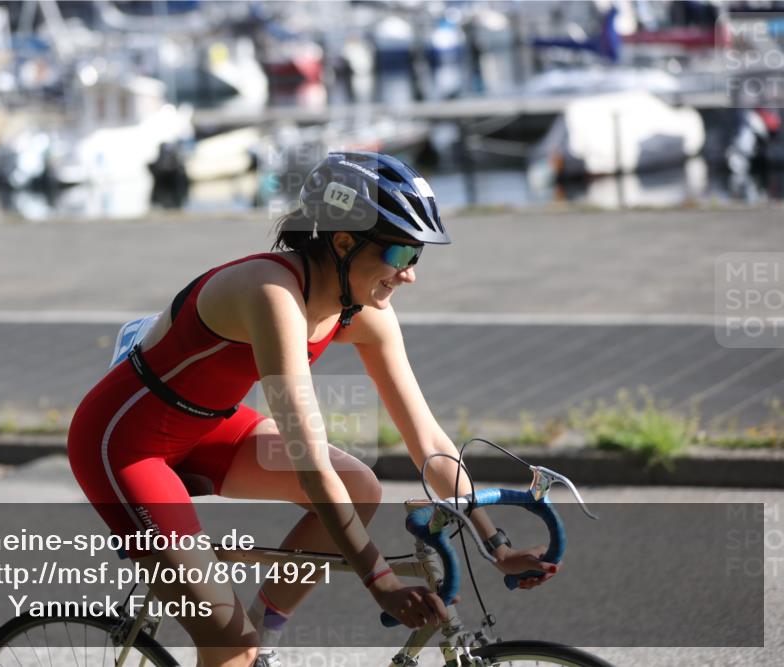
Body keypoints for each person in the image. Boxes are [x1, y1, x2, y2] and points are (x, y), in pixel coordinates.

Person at [68, 152, 558, 667]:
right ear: (343, 243)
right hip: (125, 444)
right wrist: (381, 582)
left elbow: (429, 442)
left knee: (359, 487)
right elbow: (311, 463)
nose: (410, 274)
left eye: (417, 255)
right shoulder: (272, 295)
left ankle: (264, 632)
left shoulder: (363, 311)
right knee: (230, 644)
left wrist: (495, 543)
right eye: (400, 252)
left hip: (208, 425)